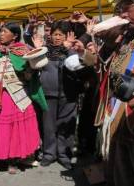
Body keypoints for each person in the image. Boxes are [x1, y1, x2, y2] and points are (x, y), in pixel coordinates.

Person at [0, 23, 47, 174]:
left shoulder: (23, 51)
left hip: (13, 96)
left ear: (15, 36)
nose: (1, 34)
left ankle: (13, 159)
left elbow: (29, 76)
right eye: (1, 31)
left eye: (5, 32)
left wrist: (32, 65)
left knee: (11, 129)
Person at [95, 0, 134, 186]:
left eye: (126, 7)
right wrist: (109, 43)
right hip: (120, 115)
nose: (122, 14)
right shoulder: (128, 35)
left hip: (133, 118)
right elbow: (104, 67)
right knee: (121, 171)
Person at [32, 20, 94, 170]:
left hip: (69, 94)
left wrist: (70, 49)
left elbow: (83, 65)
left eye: (60, 34)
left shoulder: (73, 50)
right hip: (48, 94)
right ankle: (49, 154)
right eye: (54, 34)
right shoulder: (44, 50)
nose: (57, 37)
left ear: (67, 36)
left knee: (67, 126)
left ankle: (64, 155)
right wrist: (36, 50)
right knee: (48, 126)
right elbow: (33, 66)